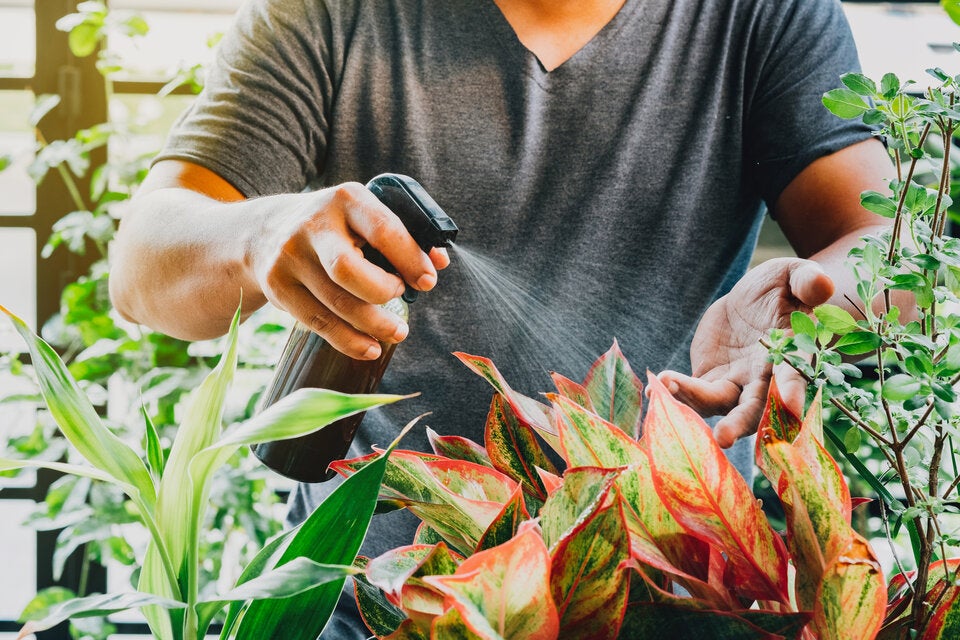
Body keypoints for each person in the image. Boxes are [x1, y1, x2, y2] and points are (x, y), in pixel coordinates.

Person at [109, 0, 895, 635]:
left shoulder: (765, 16)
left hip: (680, 598)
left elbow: (885, 248)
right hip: (382, 604)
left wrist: (808, 304)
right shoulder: (329, 14)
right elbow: (143, 270)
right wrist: (255, 236)